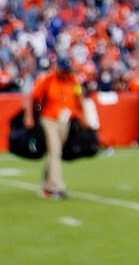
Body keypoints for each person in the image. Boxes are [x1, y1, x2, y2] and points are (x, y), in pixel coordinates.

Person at [24, 56, 88, 200]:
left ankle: (46, 186)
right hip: (49, 119)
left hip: (65, 121)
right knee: (55, 150)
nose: (66, 73)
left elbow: (79, 98)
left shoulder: (73, 80)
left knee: (55, 153)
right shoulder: (47, 79)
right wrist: (28, 116)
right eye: (63, 70)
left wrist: (82, 116)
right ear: (57, 68)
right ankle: (57, 188)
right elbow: (32, 96)